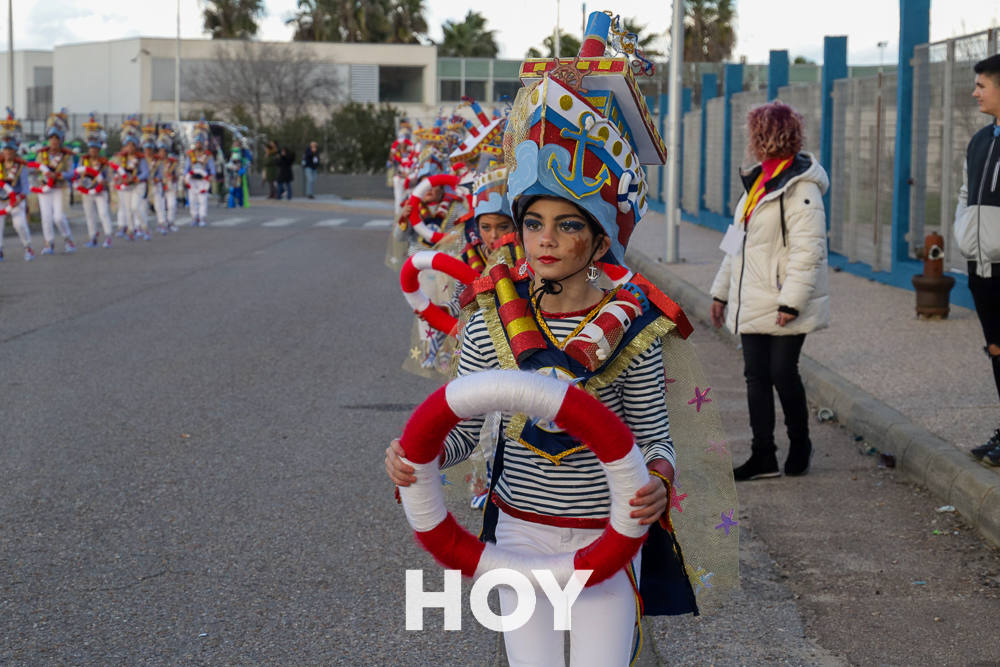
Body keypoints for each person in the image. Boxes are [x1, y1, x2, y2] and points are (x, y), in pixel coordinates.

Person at [384, 16, 713, 662]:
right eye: (533, 222)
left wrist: (658, 479)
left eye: (568, 225)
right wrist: (414, 457)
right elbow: (464, 429)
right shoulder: (490, 320)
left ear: (600, 237)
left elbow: (655, 439)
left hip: (608, 535)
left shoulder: (635, 327)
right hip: (518, 536)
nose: (545, 240)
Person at [709, 101, 830, 481]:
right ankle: (763, 455)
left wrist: (791, 302)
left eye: (755, 133)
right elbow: (735, 246)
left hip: (782, 297)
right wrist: (720, 293)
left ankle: (800, 444)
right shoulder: (756, 184)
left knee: (782, 372)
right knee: (756, 376)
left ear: (765, 136)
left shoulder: (801, 187)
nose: (753, 141)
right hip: (752, 297)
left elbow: (809, 250)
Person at [958, 54, 1000, 464]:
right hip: (980, 266)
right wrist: (963, 233)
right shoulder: (980, 140)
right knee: (997, 350)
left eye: (982, 86)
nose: (975, 93)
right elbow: (964, 193)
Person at [33, 109, 76, 255]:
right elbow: (36, 169)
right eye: (51, 138)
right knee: (46, 217)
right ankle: (49, 243)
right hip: (44, 188)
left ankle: (68, 239)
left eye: (57, 138)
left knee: (58, 217)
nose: (54, 141)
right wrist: (40, 175)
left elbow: (71, 173)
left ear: (61, 139)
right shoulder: (41, 154)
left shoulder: (66, 155)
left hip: (59, 188)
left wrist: (58, 175)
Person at [0, 109, 35, 261]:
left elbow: (26, 187)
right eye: (5, 149)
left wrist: (19, 199)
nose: (8, 152)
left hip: (17, 199)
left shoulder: (21, 165)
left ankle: (28, 248)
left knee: (19, 224)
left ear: (15, 150)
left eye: (10, 149)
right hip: (1, 199)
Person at [78, 114, 114, 248]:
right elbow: (78, 173)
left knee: (103, 213)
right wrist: (79, 182)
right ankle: (92, 237)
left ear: (98, 149)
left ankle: (108, 236)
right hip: (87, 191)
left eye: (95, 148)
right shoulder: (83, 160)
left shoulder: (104, 161)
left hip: (100, 191)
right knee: (89, 215)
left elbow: (109, 175)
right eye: (91, 148)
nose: (92, 150)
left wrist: (106, 181)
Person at [184, 120, 215, 226]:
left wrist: (211, 175)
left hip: (203, 180)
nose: (198, 144)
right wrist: (185, 177)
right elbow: (187, 167)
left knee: (202, 200)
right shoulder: (191, 154)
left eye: (200, 143)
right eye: (197, 143)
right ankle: (194, 217)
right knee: (192, 200)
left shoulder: (207, 155)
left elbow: (211, 167)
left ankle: (202, 218)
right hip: (192, 179)